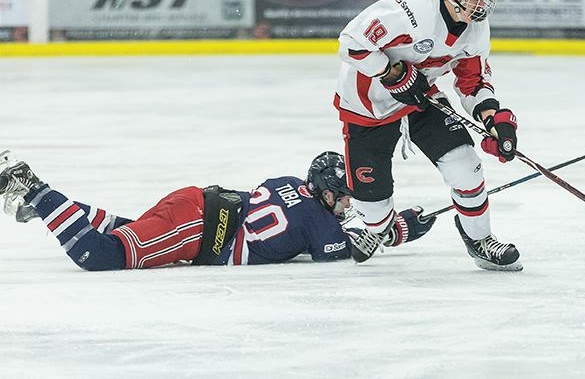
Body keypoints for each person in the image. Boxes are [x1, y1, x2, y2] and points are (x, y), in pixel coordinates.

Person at [334, 0, 522, 271]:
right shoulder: (412, 12)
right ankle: (383, 230)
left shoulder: (476, 28)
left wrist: (493, 118)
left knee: (465, 164)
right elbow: (351, 43)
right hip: (368, 108)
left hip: (422, 98)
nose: (481, 2)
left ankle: (479, 239)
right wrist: (392, 73)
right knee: (374, 214)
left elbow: (472, 81)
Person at [0, 149, 434, 271]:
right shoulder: (322, 226)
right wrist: (405, 228)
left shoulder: (286, 182)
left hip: (193, 203)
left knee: (126, 233)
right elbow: (354, 248)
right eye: (342, 196)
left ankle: (49, 210)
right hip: (197, 229)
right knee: (99, 256)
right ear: (324, 192)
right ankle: (34, 189)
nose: (346, 203)